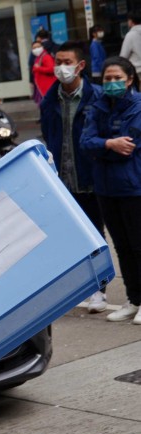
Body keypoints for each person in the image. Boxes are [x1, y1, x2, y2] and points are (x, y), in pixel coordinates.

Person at [41, 43, 108, 313]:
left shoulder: (97, 97)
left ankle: (100, 290)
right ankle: (84, 287)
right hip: (63, 180)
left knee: (96, 235)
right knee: (73, 238)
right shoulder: (50, 99)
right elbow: (48, 133)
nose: (60, 67)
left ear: (80, 66)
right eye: (58, 61)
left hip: (91, 177)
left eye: (66, 61)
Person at [81, 56, 141, 324]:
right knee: (123, 248)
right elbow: (85, 142)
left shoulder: (138, 106)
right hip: (106, 189)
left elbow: (129, 147)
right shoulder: (98, 106)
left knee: (139, 245)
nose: (113, 83)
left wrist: (103, 148)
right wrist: (109, 144)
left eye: (118, 78)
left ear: (129, 80)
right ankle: (134, 299)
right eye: (108, 78)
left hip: (133, 187)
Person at [31, 40, 57, 104]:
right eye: (34, 48)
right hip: (41, 87)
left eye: (38, 47)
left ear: (42, 47)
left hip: (47, 87)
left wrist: (38, 68)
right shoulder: (38, 57)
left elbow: (52, 69)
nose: (36, 49)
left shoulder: (46, 57)